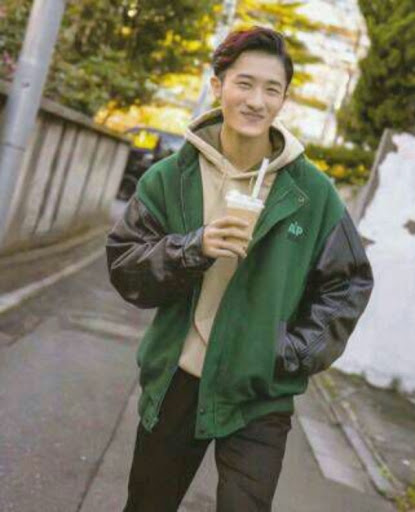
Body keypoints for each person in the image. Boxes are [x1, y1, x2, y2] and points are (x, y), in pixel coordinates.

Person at [106, 26, 374, 512]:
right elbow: (126, 267)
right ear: (218, 86)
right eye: (244, 83)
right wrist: (193, 248)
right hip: (177, 379)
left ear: (284, 100)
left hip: (260, 393)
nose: (256, 100)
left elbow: (349, 282)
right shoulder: (170, 178)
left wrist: (290, 351)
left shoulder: (313, 193)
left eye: (272, 89)